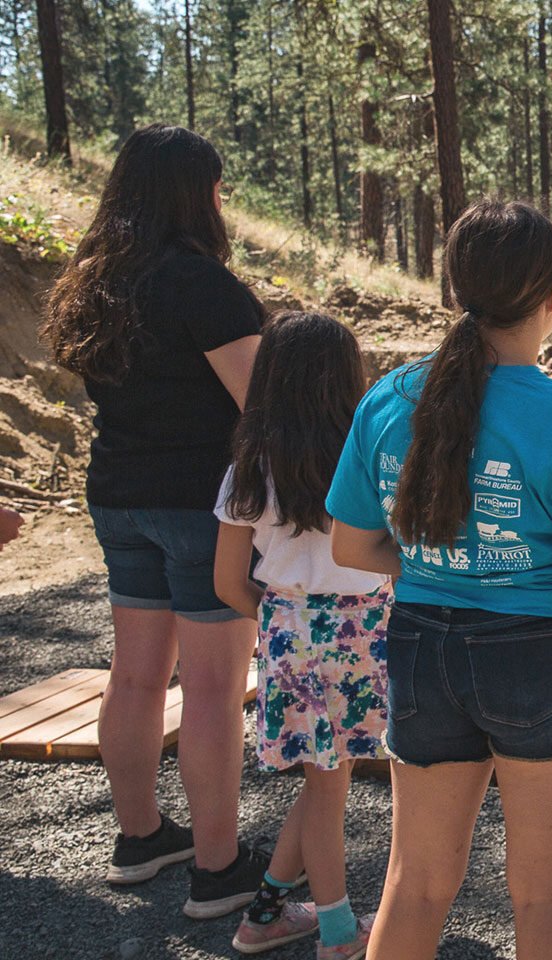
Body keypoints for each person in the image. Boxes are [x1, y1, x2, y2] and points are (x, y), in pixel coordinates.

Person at [325, 200, 552, 960]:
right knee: (544, 894)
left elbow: (349, 543)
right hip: (539, 658)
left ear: (452, 289)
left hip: (420, 648)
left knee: (415, 883)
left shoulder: (389, 398)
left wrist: (444, 567)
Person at [40, 124, 267, 917]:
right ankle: (219, 868)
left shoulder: (94, 278)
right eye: (215, 185)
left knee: (134, 675)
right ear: (193, 192)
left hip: (119, 497)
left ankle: (141, 837)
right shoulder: (201, 283)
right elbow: (262, 408)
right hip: (203, 506)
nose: (220, 200)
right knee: (212, 685)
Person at [212, 312, 388, 958]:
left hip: (287, 629)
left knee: (324, 780)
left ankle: (264, 913)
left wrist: (284, 617)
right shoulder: (366, 458)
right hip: (364, 630)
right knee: (328, 781)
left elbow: (228, 582)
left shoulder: (250, 465)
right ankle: (338, 933)